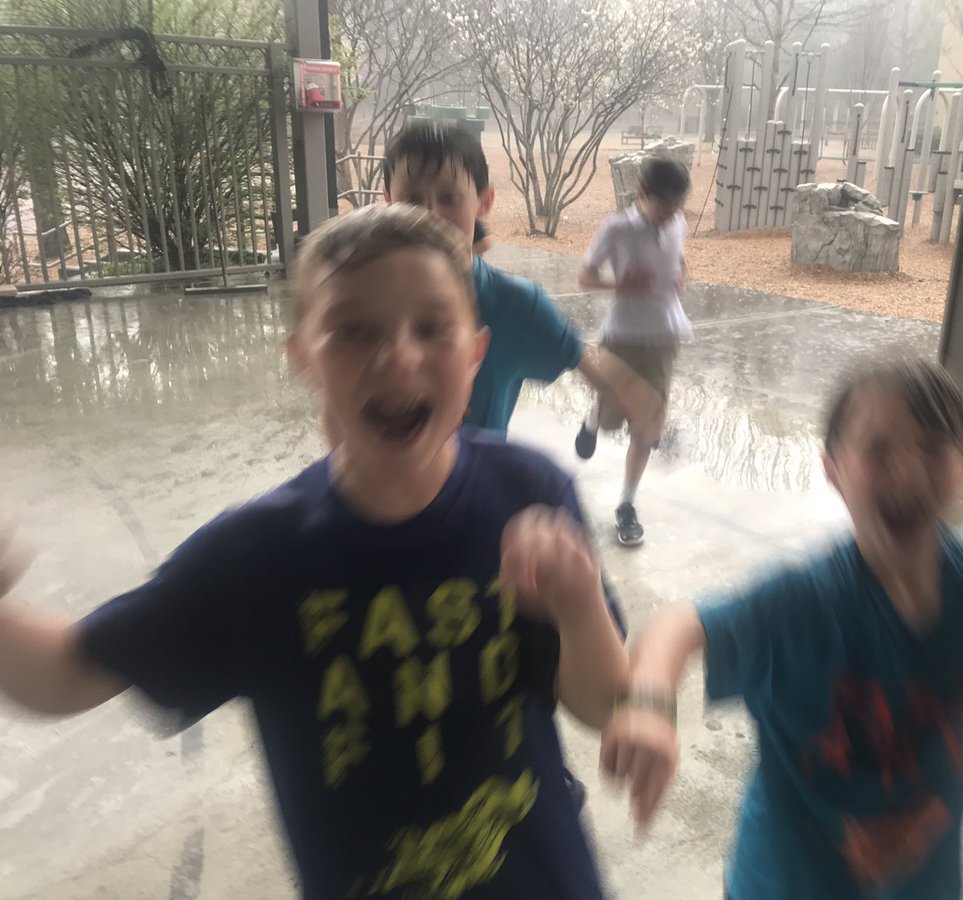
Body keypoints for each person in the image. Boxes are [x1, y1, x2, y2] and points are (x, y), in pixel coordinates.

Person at [0, 204, 629, 899]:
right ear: (303, 355)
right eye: (354, 330)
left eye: (432, 327)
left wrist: (577, 608)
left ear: (476, 352)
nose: (397, 355)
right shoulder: (259, 558)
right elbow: (67, 672)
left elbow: (605, 705)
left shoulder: (529, 493)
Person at [599, 356, 963, 899]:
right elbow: (678, 627)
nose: (908, 471)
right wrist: (649, 704)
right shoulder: (804, 604)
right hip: (780, 883)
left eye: (934, 448)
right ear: (832, 468)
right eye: (880, 450)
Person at [381, 121, 663, 440]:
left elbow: (580, 357)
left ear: (484, 202)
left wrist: (636, 399)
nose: (430, 215)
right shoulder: (364, 297)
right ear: (389, 201)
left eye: (449, 198)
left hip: (477, 489)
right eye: (413, 200)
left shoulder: (514, 306)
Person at [574, 157, 692, 547]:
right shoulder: (617, 229)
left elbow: (678, 258)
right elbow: (585, 276)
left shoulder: (678, 223)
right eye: (663, 208)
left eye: (676, 208)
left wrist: (680, 273)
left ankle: (626, 505)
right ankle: (593, 418)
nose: (669, 217)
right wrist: (619, 286)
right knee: (612, 419)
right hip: (621, 338)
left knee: (646, 429)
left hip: (663, 338)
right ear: (641, 194)